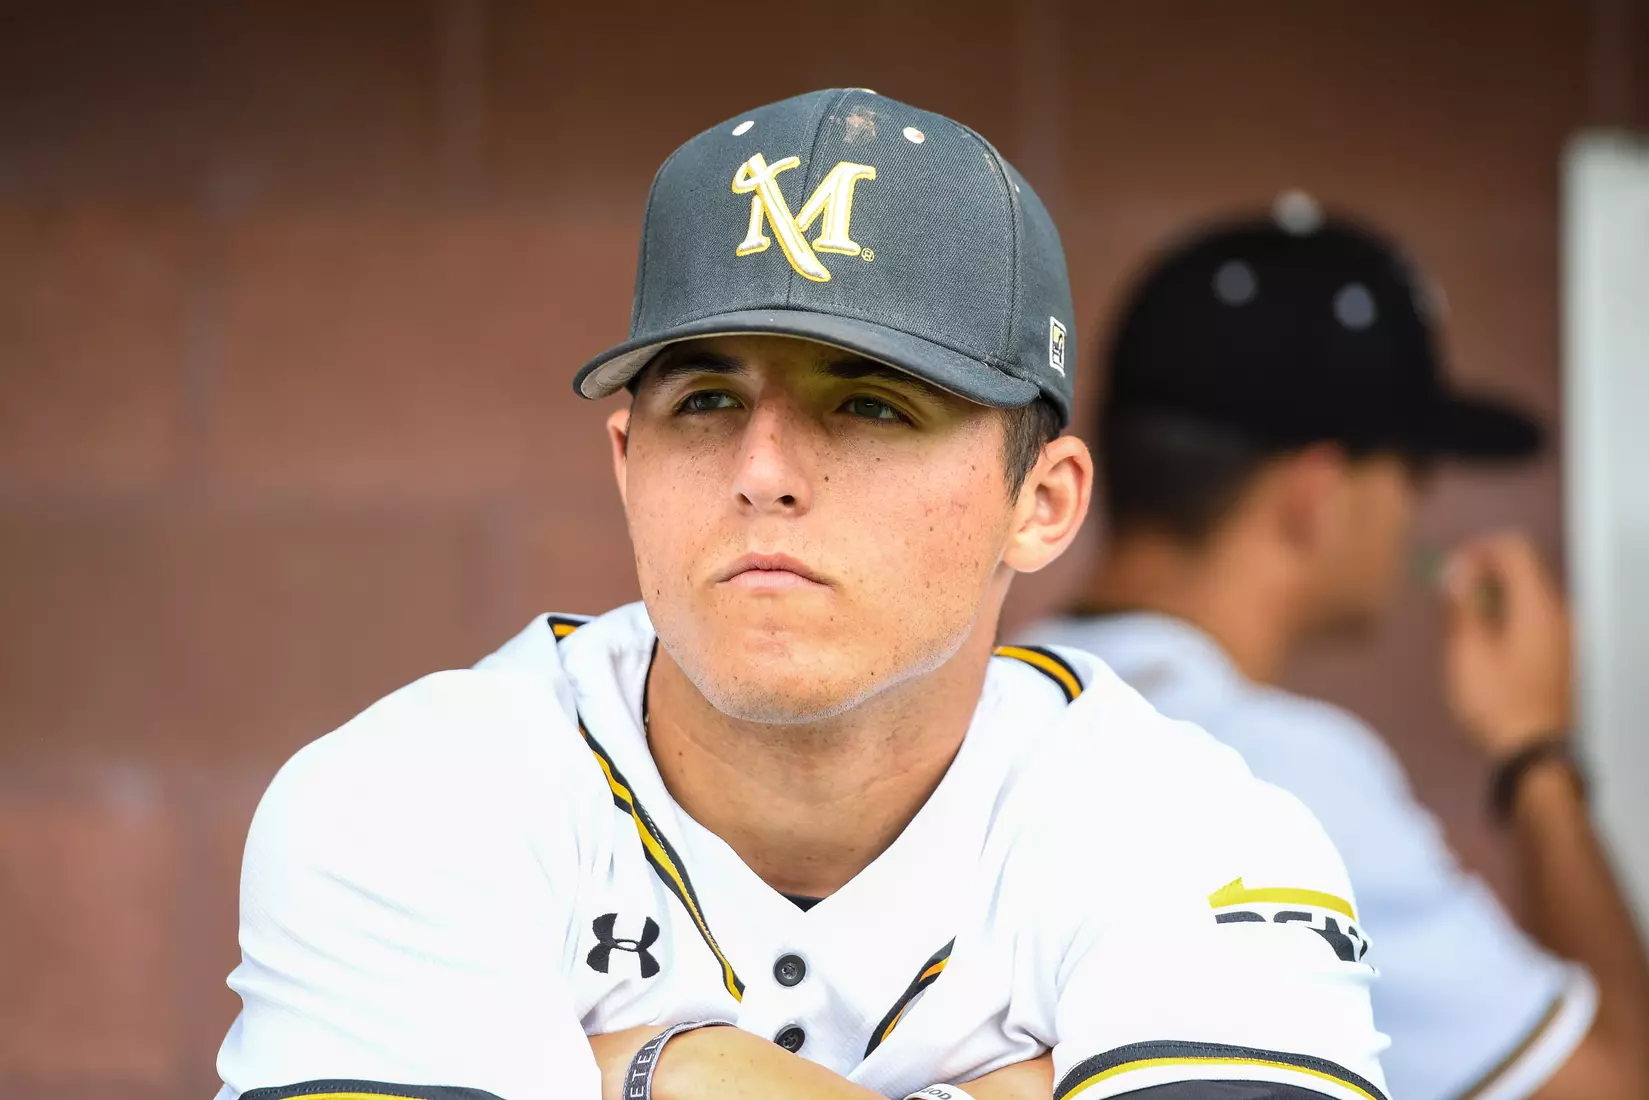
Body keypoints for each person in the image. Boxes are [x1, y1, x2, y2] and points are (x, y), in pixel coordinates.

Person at [214, 93, 1390, 1100]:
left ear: (1041, 500)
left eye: (871, 404)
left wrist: (647, 1066)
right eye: (706, 402)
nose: (763, 472)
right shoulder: (416, 799)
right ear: (624, 462)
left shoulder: (1187, 833)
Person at [1024, 205, 1649, 1100]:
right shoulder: (1280, 775)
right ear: (1316, 494)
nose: (1413, 515)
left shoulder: (991, 697)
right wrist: (1534, 752)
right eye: (1410, 474)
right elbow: (1612, 1084)